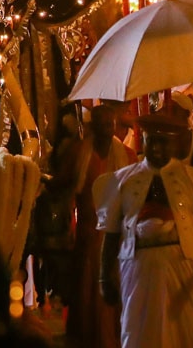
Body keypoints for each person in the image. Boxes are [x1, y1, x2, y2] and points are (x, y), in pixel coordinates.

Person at [98, 109, 193, 348]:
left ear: (174, 143)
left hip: (183, 267)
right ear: (143, 141)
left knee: (182, 333)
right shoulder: (123, 179)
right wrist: (104, 276)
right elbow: (112, 231)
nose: (157, 148)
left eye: (163, 142)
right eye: (151, 142)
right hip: (136, 266)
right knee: (136, 331)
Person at [62, 104, 134, 348]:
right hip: (87, 234)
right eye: (102, 125)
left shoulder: (127, 155)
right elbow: (67, 191)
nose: (107, 129)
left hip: (117, 236)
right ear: (93, 126)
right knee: (87, 289)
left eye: (110, 125)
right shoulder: (79, 154)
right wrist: (68, 228)